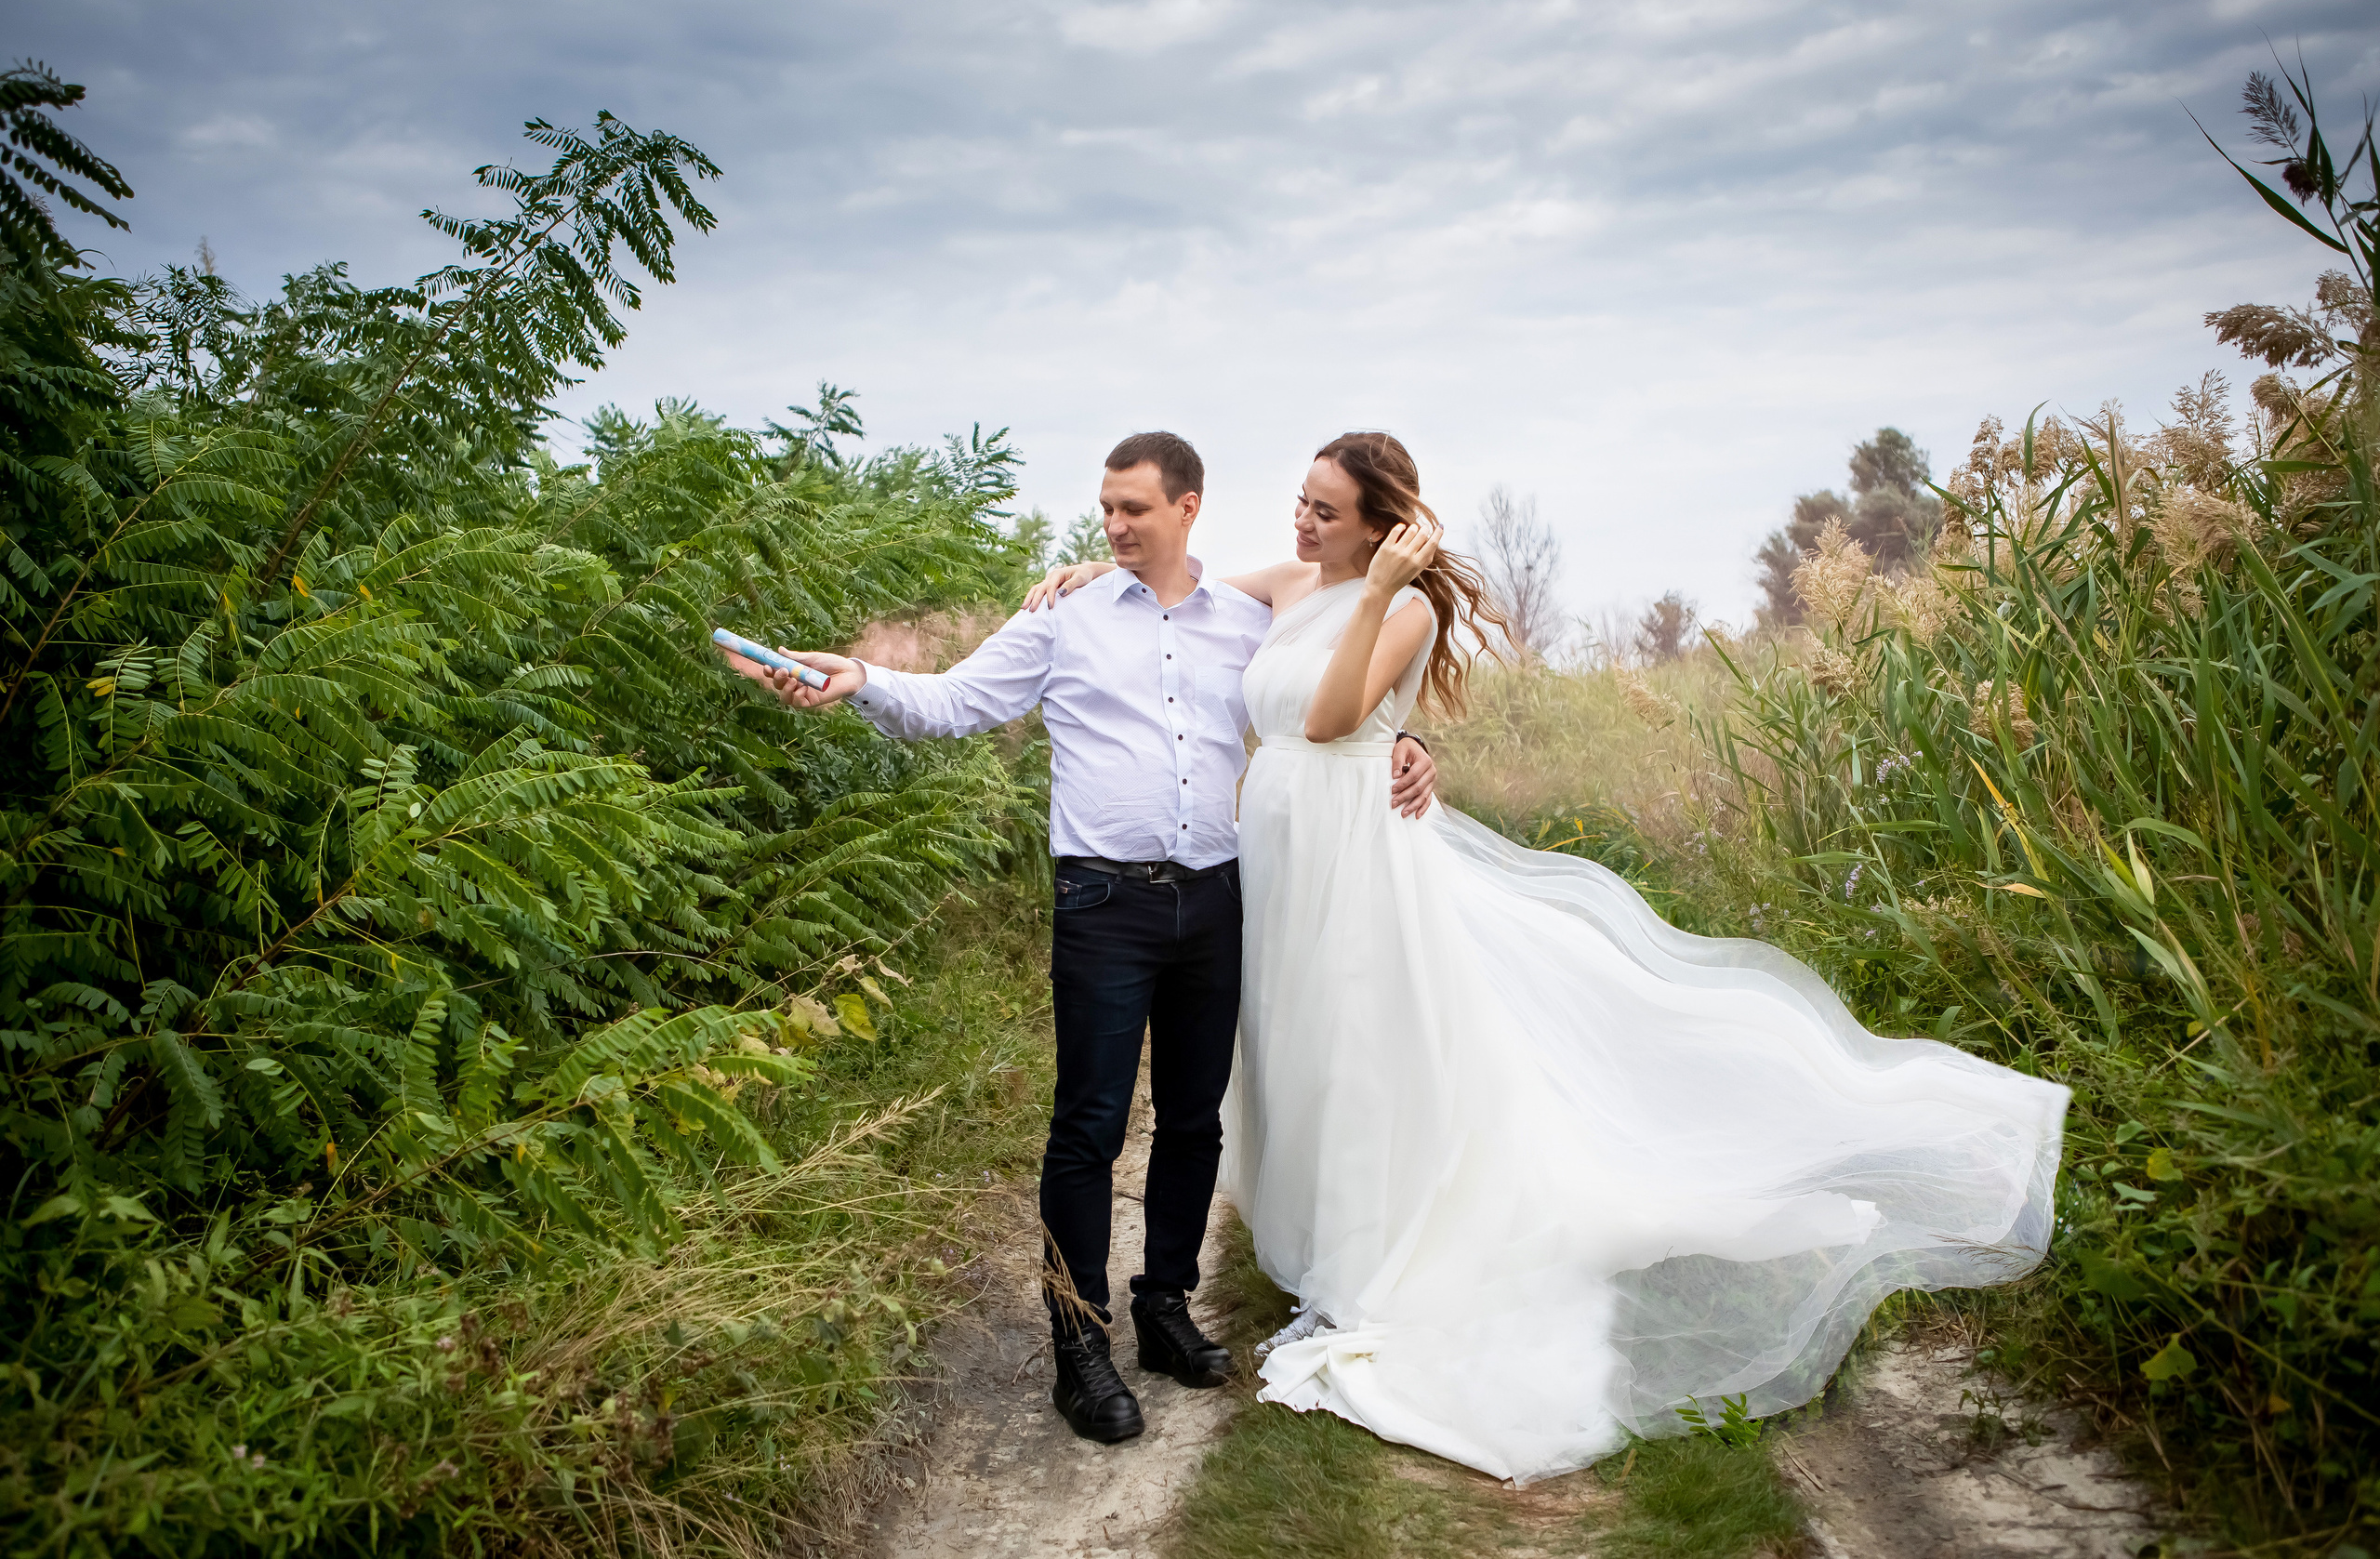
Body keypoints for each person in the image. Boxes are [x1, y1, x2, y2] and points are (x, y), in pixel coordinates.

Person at [1024, 430, 2069, 1485]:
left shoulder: (1412, 605)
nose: (1302, 522)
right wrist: (1090, 568)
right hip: (1278, 848)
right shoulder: (1285, 579)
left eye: (1326, 512)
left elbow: (1339, 716)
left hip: (1353, 842)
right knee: (1290, 1046)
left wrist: (1395, 645)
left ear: (1383, 527)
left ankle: (1371, 1238)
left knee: (1359, 1041)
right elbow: (1182, 589)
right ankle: (1275, 1242)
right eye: (1301, 501)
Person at [721, 430, 1439, 1446]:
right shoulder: (1064, 615)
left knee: (1194, 1120)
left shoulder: (1246, 616)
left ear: (1188, 507)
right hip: (1104, 903)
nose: (1112, 526)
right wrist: (861, 682)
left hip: (1220, 898)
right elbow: (957, 702)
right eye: (1105, 510)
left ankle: (1162, 1309)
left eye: (1133, 510)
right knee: (1089, 1126)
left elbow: (1323, 701)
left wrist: (1408, 740)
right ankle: (1079, 1345)